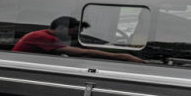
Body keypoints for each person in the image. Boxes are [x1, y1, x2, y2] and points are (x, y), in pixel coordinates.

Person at [12, 16, 145, 63]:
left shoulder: (43, 35)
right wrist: (125, 56)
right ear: (62, 28)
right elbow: (84, 52)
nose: (74, 36)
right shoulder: (43, 38)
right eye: (74, 32)